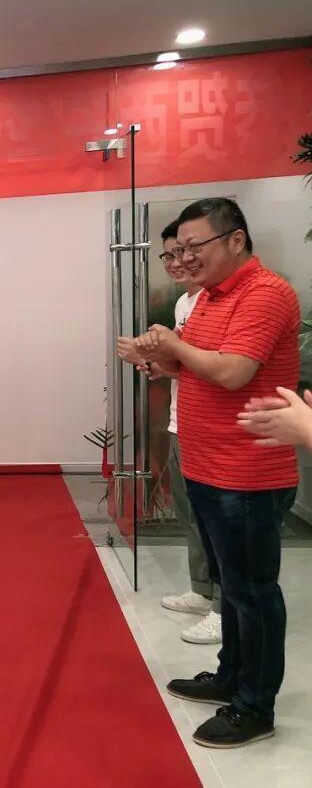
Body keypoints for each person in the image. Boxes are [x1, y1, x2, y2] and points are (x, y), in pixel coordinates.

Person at [133, 198, 299, 748]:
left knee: (253, 593)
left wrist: (174, 344)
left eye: (193, 246)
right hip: (207, 465)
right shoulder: (209, 297)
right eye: (178, 249)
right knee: (230, 588)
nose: (184, 258)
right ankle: (231, 676)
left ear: (235, 239)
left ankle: (255, 706)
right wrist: (159, 356)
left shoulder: (265, 293)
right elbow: (196, 366)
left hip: (247, 471)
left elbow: (233, 372)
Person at [117, 221, 219, 644]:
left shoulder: (219, 301)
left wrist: (163, 355)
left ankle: (224, 607)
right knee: (190, 513)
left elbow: (222, 369)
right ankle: (203, 590)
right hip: (181, 420)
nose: (179, 261)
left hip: (210, 428)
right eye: (170, 254)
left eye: (187, 250)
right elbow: (183, 366)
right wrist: (151, 362)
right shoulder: (183, 303)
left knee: (215, 520)